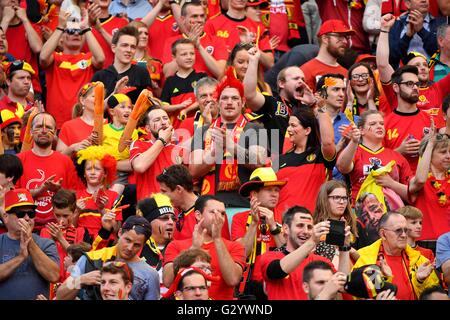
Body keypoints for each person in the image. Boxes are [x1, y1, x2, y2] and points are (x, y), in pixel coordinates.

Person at [189, 67, 267, 214]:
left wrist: (231, 146)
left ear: (243, 103)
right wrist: (215, 151)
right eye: (224, 98)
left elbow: (259, 161)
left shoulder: (256, 129)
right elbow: (193, 170)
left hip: (245, 207)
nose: (229, 102)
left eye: (235, 98)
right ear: (217, 103)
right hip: (210, 209)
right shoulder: (203, 132)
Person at [56, 215, 160, 300]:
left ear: (144, 244)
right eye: (127, 240)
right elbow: (60, 296)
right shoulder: (92, 259)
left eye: (137, 245)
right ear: (119, 233)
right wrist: (81, 279)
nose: (130, 248)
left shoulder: (150, 274)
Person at [163, 195, 246, 300]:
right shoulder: (175, 245)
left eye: (222, 213)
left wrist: (217, 239)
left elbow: (232, 280)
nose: (219, 217)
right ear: (198, 215)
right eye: (213, 212)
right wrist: (194, 248)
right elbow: (168, 282)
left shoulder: (235, 247)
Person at [259, 205, 350, 300]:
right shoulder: (270, 257)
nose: (306, 231)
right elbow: (277, 271)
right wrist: (312, 241)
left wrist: (344, 247)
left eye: (310, 227)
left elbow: (343, 285)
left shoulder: (321, 261)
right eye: (300, 225)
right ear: (286, 229)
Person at [377, 13, 450, 128]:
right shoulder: (398, 92)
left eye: (425, 65)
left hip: (436, 143)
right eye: (416, 65)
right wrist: (384, 30)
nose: (422, 67)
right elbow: (382, 65)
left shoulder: (437, 89)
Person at [244, 49, 317, 156]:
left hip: (302, 163)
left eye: (303, 79)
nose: (301, 81)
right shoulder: (272, 103)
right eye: (296, 78)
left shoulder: (307, 109)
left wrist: (313, 105)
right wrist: (253, 61)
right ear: (281, 83)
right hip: (277, 163)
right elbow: (249, 95)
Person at [39, 9, 105, 128]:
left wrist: (86, 27)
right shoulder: (54, 57)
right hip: (56, 122)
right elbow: (43, 58)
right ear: (61, 38)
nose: (76, 34)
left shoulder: (89, 57)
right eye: (70, 31)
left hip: (84, 121)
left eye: (80, 32)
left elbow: (100, 59)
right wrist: (60, 27)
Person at [16, 112, 81, 232]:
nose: (44, 131)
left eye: (49, 128)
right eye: (39, 127)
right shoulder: (19, 160)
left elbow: (74, 198)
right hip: (24, 227)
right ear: (30, 131)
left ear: (55, 132)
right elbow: (12, 197)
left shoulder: (65, 161)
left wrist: (58, 191)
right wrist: (40, 189)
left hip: (58, 229)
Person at [353, 212, 439, 300]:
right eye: (398, 230)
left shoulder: (419, 261)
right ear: (383, 234)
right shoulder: (367, 260)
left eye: (406, 230)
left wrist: (419, 281)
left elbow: (435, 296)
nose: (404, 235)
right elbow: (359, 296)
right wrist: (387, 279)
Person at [336, 110, 413, 205]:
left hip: (392, 213)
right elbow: (342, 167)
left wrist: (391, 183)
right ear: (361, 130)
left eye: (381, 123)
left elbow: (412, 195)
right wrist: (354, 141)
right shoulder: (354, 152)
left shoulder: (397, 156)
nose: (379, 126)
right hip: (361, 212)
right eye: (373, 124)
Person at [232, 167, 286, 298]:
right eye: (269, 190)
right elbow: (242, 253)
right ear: (254, 195)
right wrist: (254, 224)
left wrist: (273, 227)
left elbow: (289, 253)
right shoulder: (239, 218)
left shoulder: (286, 217)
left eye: (276, 190)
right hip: (248, 285)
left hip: (278, 282)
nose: (275, 194)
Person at [0, 188, 60, 299]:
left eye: (31, 213)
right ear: (6, 217)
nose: (27, 218)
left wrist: (30, 242)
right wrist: (21, 257)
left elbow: (54, 276)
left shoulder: (46, 243)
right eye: (20, 214)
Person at [275, 106, 336, 214]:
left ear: (307, 130)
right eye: (289, 125)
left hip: (313, 224)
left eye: (293, 125)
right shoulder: (280, 160)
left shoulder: (320, 155)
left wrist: (321, 106)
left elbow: (328, 142)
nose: (288, 129)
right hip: (284, 224)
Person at [156, 164, 231, 241]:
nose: (161, 195)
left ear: (179, 189)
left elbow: (224, 246)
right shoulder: (171, 212)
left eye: (164, 191)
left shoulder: (212, 212)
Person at [382, 66, 432, 172]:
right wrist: (399, 151)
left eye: (417, 84)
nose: (415, 88)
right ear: (396, 87)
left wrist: (427, 148)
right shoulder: (384, 123)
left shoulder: (430, 120)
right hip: (395, 183)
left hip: (426, 182)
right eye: (409, 84)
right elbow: (376, 160)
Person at [161, 0, 227, 79]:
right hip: (181, 89)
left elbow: (220, 73)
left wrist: (199, 47)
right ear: (183, 19)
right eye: (194, 16)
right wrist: (188, 44)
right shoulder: (171, 41)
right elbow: (168, 73)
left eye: (202, 16)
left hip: (207, 89)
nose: (199, 20)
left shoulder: (217, 41)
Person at [407, 132, 450, 247]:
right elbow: (420, 180)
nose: (448, 156)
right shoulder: (418, 180)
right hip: (425, 244)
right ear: (429, 155)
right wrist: (430, 144)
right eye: (443, 152)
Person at [204, 0, 274, 69]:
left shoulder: (258, 27)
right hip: (221, 77)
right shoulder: (212, 24)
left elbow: (270, 63)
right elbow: (205, 56)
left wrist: (250, 46)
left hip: (248, 77)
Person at [74, 145, 122, 246]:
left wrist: (102, 210)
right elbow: (70, 227)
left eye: (97, 169)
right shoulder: (76, 195)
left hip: (105, 246)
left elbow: (116, 229)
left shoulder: (114, 196)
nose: (92, 172)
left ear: (105, 173)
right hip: (82, 245)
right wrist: (77, 211)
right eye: (88, 169)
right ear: (83, 173)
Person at [130, 107, 180, 202]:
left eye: (165, 118)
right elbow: (140, 166)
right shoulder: (139, 144)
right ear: (148, 128)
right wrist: (162, 141)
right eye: (157, 120)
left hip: (174, 212)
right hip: (149, 210)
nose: (163, 122)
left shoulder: (179, 150)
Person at [91, 25, 151, 103]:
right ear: (113, 48)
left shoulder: (142, 73)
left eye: (133, 47)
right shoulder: (100, 76)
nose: (129, 50)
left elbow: (147, 106)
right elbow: (93, 109)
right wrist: (115, 93)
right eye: (124, 45)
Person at [40, 189, 86, 282]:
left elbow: (80, 260)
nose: (61, 220)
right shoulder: (45, 231)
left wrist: (60, 238)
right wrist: (51, 240)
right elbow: (41, 260)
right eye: (57, 215)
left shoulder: (81, 232)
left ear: (74, 213)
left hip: (72, 283)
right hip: (50, 281)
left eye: (65, 216)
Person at [160, 38, 207, 130]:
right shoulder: (170, 81)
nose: (189, 57)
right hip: (178, 129)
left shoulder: (202, 77)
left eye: (192, 53)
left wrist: (186, 109)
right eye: (184, 54)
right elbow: (163, 107)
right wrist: (179, 106)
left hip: (200, 127)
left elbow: (206, 100)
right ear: (174, 57)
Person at [0, 0, 43, 96]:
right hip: (2, 87)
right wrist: (6, 19)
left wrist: (25, 19)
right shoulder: (2, 25)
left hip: (29, 88)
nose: (12, 0)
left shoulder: (29, 26)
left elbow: (38, 48)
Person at [313, 180, 359, 267]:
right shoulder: (315, 229)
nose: (341, 202)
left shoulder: (355, 226)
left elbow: (367, 261)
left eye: (344, 198)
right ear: (325, 199)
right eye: (336, 197)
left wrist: (352, 250)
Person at [387, 0, 445, 68]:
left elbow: (442, 53)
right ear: (408, 4)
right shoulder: (395, 24)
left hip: (433, 73)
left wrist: (421, 31)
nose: (424, 0)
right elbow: (392, 58)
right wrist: (407, 37)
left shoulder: (441, 24)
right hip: (404, 74)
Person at [300, 19, 353, 91]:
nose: (345, 41)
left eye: (346, 37)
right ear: (325, 39)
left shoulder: (346, 73)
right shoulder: (306, 70)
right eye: (340, 36)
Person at [137, 193, 175, 294]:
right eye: (164, 218)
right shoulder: (136, 247)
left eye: (173, 218)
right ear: (148, 222)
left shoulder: (181, 249)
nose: (171, 222)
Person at [103, 93, 137, 196]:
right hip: (103, 171)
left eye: (129, 107)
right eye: (122, 107)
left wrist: (131, 145)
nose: (127, 110)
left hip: (121, 173)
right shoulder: (104, 129)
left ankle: (111, 205)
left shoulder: (133, 132)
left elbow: (134, 156)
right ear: (112, 111)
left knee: (113, 194)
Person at [56, 82, 99, 156]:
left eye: (101, 97)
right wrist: (72, 148)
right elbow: (58, 157)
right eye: (94, 96)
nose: (98, 99)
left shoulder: (108, 124)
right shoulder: (68, 126)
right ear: (82, 100)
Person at [85, 0, 129, 67]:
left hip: (115, 75)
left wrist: (101, 30)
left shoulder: (122, 23)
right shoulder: (81, 24)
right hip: (88, 74)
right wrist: (86, 25)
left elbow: (124, 50)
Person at [127, 20, 163, 97]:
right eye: (140, 33)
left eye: (146, 33)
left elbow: (164, 97)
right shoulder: (123, 62)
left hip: (151, 105)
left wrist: (155, 87)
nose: (144, 36)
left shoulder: (156, 63)